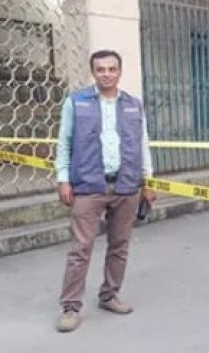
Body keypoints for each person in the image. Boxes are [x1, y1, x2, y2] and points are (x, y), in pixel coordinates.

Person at [55, 49, 157, 333]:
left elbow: (143, 144)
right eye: (101, 69)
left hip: (126, 185)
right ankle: (71, 307)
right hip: (88, 186)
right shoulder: (76, 102)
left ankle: (109, 295)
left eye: (112, 69)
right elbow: (64, 142)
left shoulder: (134, 105)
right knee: (80, 249)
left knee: (119, 245)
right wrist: (63, 179)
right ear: (93, 73)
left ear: (119, 72)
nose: (107, 74)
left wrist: (148, 182)